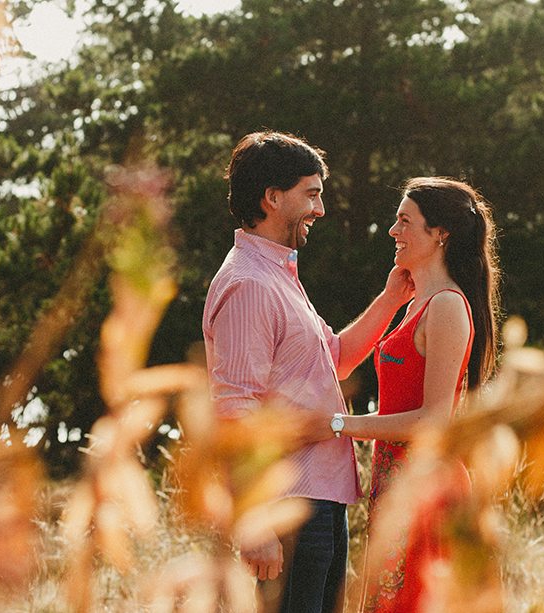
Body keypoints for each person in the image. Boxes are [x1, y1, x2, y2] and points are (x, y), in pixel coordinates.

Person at [202, 130, 413, 613]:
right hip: (288, 503)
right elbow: (235, 408)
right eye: (311, 194)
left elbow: (333, 360)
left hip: (322, 499)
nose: (320, 210)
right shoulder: (249, 284)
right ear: (272, 198)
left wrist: (391, 299)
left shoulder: (278, 275)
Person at [311, 177, 499, 612]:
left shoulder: (448, 306)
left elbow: (433, 421)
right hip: (394, 483)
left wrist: (339, 425)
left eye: (404, 221)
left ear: (440, 234)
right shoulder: (415, 303)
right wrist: (393, 297)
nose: (393, 231)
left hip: (428, 488)